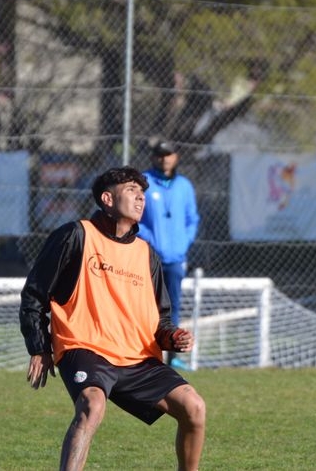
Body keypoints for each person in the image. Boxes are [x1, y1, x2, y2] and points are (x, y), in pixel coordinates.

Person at [19, 166, 206, 470]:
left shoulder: (147, 253)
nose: (140, 197)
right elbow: (35, 292)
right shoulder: (76, 235)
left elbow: (161, 320)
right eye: (131, 190)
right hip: (86, 349)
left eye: (143, 192)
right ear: (107, 198)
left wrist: (173, 338)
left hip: (136, 357)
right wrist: (39, 346)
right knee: (91, 405)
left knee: (194, 407)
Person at [138, 139, 200, 370]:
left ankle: (172, 354)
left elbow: (191, 219)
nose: (165, 159)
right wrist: (149, 240)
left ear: (176, 157)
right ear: (153, 157)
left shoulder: (184, 185)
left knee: (172, 305)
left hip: (175, 258)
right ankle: (146, 351)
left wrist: (184, 242)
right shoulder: (144, 182)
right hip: (148, 256)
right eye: (160, 154)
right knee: (146, 304)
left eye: (169, 154)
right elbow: (137, 217)